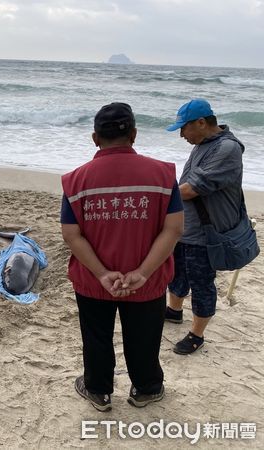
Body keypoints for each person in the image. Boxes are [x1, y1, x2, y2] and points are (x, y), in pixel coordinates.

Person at [60, 103, 184, 411]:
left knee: (97, 335)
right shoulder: (163, 174)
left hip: (93, 279)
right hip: (147, 279)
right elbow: (173, 229)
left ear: (94, 138)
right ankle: (147, 388)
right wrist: (142, 272)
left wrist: (102, 274)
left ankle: (99, 391)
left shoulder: (76, 180)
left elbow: (71, 234)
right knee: (144, 336)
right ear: (134, 134)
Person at [164, 99, 246, 355]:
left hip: (206, 233)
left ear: (201, 123)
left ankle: (196, 335)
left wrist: (158, 197)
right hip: (186, 228)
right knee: (177, 273)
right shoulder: (202, 144)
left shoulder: (227, 149)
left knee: (201, 282)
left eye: (183, 128)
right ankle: (174, 311)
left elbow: (192, 189)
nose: (181, 135)